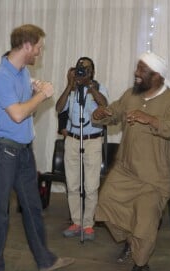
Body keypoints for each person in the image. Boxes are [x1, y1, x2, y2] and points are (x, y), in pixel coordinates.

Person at [0, 24, 74, 271]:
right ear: (26, 45)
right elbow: (18, 114)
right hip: (5, 150)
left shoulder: (22, 73)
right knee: (0, 210)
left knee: (33, 206)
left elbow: (26, 111)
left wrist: (35, 93)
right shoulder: (1, 76)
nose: (39, 52)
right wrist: (43, 95)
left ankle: (45, 260)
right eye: (38, 47)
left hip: (23, 150)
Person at [92, 52, 170, 271]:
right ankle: (129, 241)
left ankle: (141, 264)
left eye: (142, 70)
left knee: (144, 225)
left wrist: (150, 119)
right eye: (137, 68)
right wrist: (100, 114)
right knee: (105, 206)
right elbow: (112, 113)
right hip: (126, 170)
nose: (136, 73)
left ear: (157, 76)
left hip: (155, 177)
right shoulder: (131, 95)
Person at [56, 57, 108, 240]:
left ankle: (88, 225)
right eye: (80, 68)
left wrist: (90, 87)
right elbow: (59, 108)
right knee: (72, 185)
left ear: (92, 72)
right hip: (72, 139)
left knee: (91, 186)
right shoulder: (71, 91)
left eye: (86, 69)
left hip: (92, 141)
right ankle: (76, 222)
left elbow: (105, 106)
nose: (82, 71)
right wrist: (70, 85)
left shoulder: (99, 88)